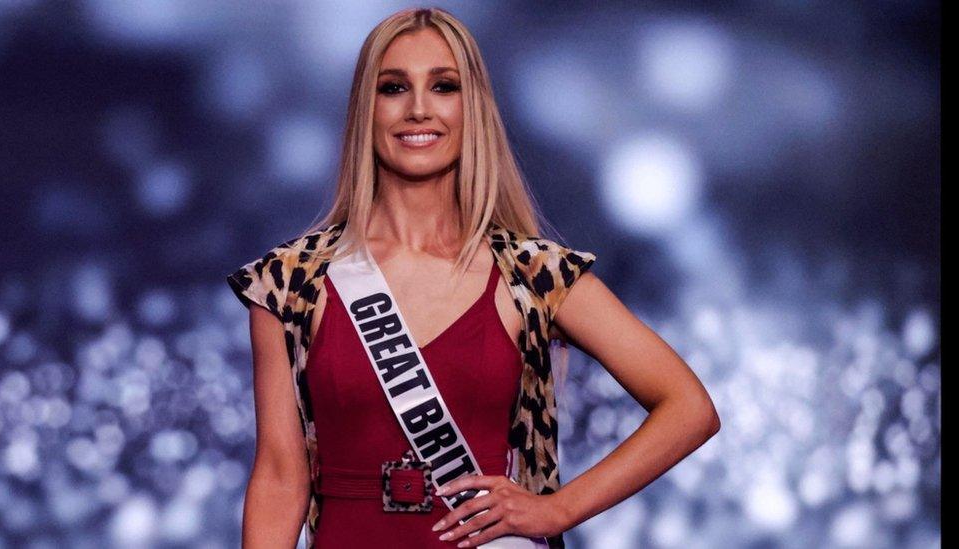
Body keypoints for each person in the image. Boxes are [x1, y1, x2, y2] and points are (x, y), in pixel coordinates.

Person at [227, 7, 720, 549]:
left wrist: (560, 509)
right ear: (366, 109)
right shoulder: (292, 279)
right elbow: (278, 477)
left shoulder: (532, 274)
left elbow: (689, 408)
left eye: (443, 86)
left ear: (473, 108)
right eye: (393, 88)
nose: (418, 109)